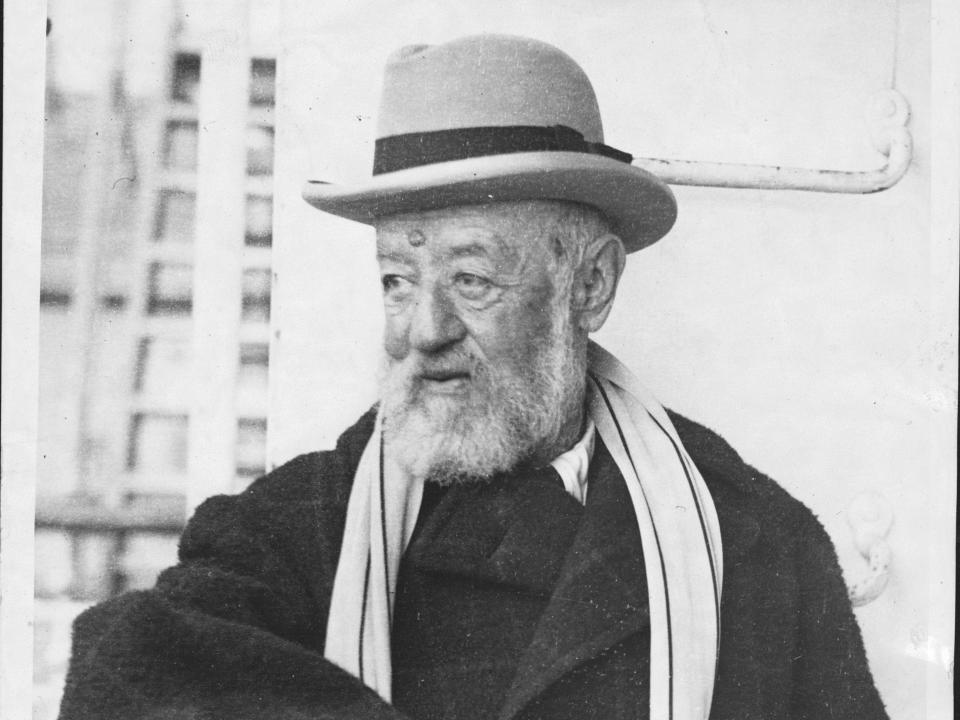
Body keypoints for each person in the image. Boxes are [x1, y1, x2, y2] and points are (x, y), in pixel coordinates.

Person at [58, 34, 888, 720]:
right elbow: (119, 675)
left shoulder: (755, 545)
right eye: (396, 279)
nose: (423, 330)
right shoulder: (303, 527)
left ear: (589, 286)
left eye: (471, 279)